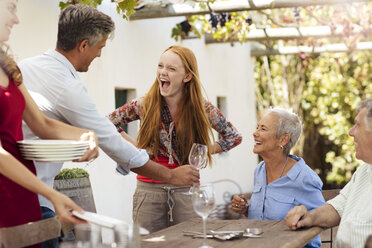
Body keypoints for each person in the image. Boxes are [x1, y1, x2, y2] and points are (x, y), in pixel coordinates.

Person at [19, 5, 199, 247]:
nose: (100, 55)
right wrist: (170, 175)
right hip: (33, 202)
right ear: (83, 45)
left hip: (21, 192)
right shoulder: (67, 86)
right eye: (100, 47)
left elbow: (88, 127)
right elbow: (111, 143)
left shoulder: (26, 66)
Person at [107, 45, 242, 233]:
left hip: (186, 192)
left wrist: (201, 151)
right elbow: (107, 124)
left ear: (187, 76)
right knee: (148, 246)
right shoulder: (143, 104)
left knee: (190, 242)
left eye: (171, 69)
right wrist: (136, 149)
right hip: (149, 190)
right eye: (160, 66)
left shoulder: (202, 108)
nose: (163, 72)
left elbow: (234, 137)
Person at [0, 0, 99, 246]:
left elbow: (43, 124)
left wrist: (85, 134)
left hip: (24, 194)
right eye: (11, 8)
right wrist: (50, 193)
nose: (17, 19)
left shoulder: (9, 68)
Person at [231, 107, 325, 248]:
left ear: (283, 139)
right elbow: (264, 216)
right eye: (257, 127)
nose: (255, 133)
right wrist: (245, 209)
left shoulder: (304, 178)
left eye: (263, 129)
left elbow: (322, 220)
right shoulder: (260, 171)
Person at [285, 98, 372, 248]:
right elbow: (338, 207)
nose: (351, 132)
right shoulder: (365, 169)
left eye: (358, 125)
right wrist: (308, 217)